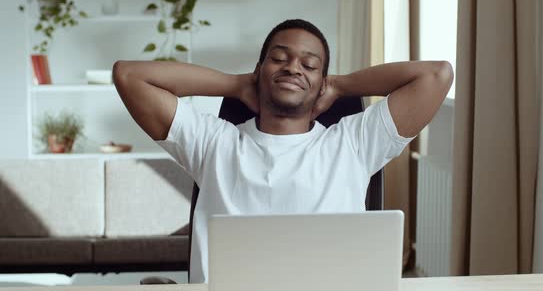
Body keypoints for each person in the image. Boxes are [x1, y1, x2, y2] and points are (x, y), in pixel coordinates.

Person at [112, 19, 453, 283]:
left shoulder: (352, 143)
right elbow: (128, 76)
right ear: (259, 72)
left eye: (309, 65)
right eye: (278, 59)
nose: (292, 68)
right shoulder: (213, 142)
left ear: (322, 84)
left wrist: (340, 85)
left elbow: (437, 75)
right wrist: (235, 84)